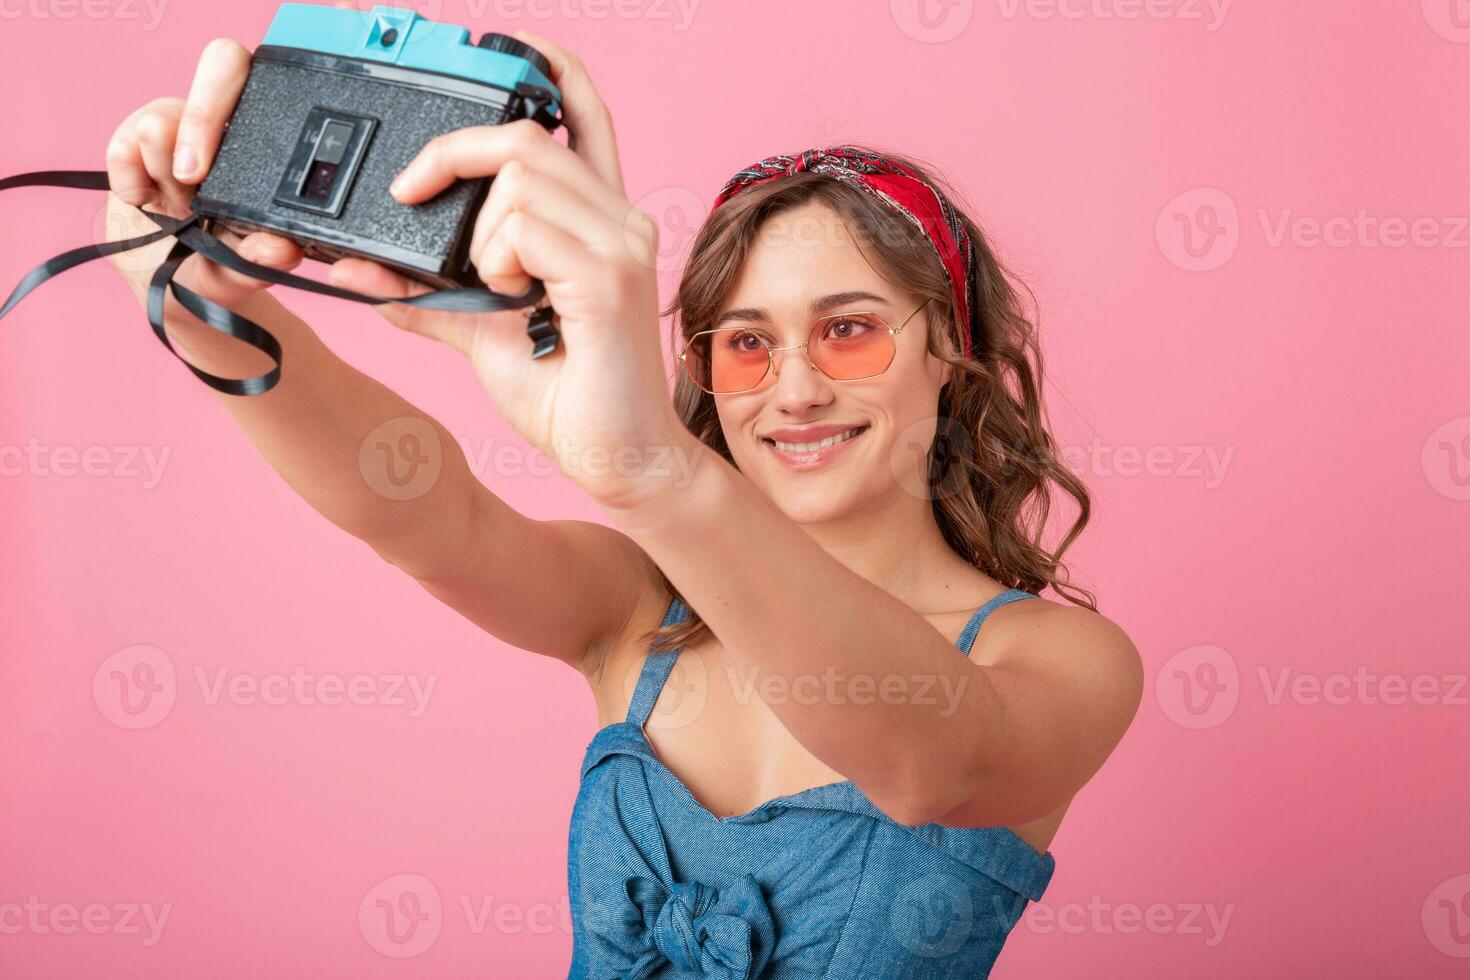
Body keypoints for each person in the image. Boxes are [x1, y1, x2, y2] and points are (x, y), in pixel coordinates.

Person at [103, 26, 1143, 979]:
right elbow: (425, 515)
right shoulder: (640, 611)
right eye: (746, 343)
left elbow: (930, 763)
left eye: (850, 330)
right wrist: (201, 310)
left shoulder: (1059, 661)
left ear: (952, 356)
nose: (794, 387)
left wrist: (649, 467)